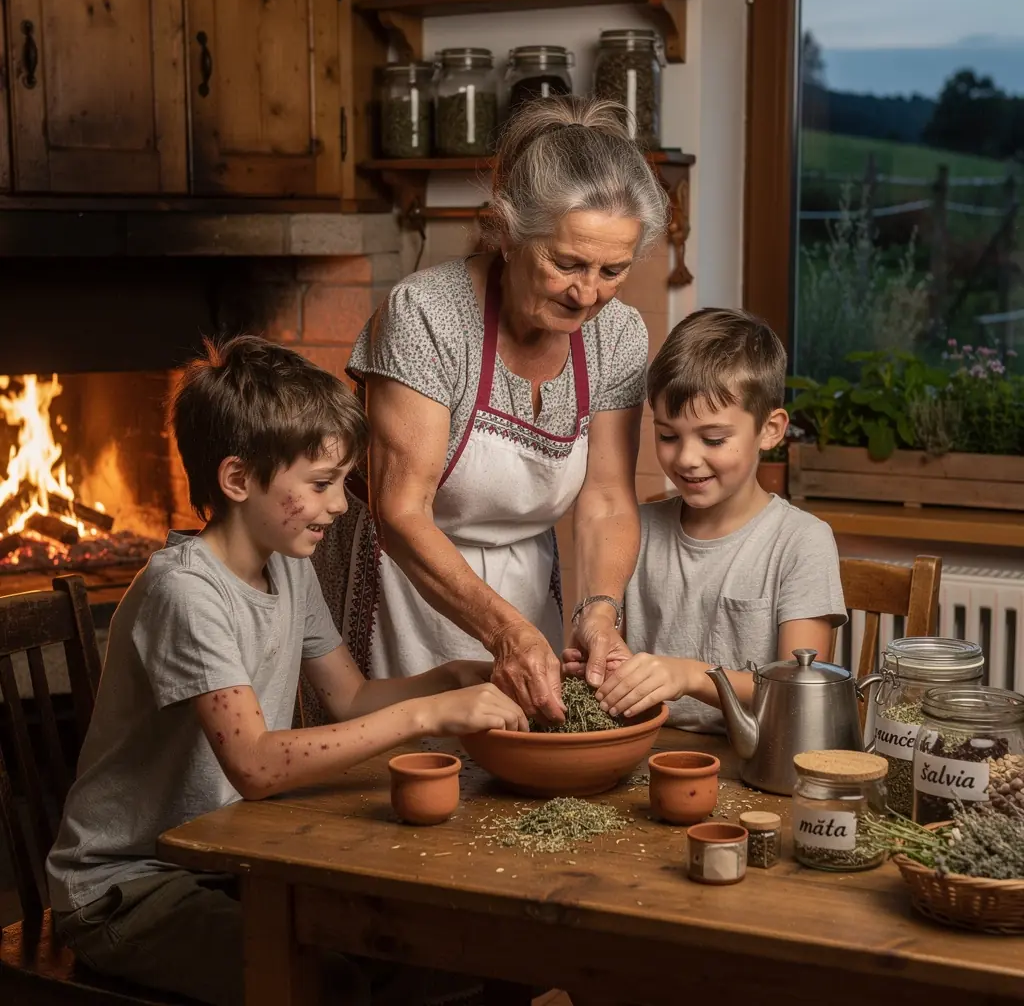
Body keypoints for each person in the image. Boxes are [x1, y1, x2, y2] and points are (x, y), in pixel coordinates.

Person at [46, 336, 527, 1006]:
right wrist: (428, 716)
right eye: (323, 484)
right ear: (239, 479)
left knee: (418, 943)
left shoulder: (289, 565)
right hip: (131, 887)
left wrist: (449, 678)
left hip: (230, 857)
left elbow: (349, 696)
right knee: (328, 981)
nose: (339, 506)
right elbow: (257, 765)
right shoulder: (186, 592)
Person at [311, 96, 669, 726]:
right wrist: (505, 632)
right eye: (566, 263)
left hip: (527, 593)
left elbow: (608, 498)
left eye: (613, 270)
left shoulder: (618, 335)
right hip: (399, 586)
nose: (588, 293)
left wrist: (599, 611)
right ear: (508, 231)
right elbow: (401, 512)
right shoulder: (427, 314)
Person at [575, 308, 847, 729]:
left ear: (771, 430)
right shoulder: (633, 530)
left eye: (713, 439)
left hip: (752, 768)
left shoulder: (801, 542)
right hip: (648, 754)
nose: (686, 458)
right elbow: (614, 653)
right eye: (667, 435)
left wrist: (687, 676)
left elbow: (799, 694)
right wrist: (600, 664)